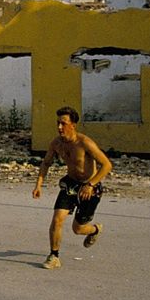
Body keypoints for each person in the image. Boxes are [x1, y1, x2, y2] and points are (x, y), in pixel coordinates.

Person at [33, 106, 112, 269]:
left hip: (90, 187)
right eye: (58, 123)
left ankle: (95, 230)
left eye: (63, 123)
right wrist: (38, 185)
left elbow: (106, 165)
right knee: (57, 219)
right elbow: (46, 163)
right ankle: (54, 256)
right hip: (70, 185)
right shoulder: (56, 143)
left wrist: (90, 185)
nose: (59, 127)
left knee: (78, 229)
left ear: (73, 125)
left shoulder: (84, 143)